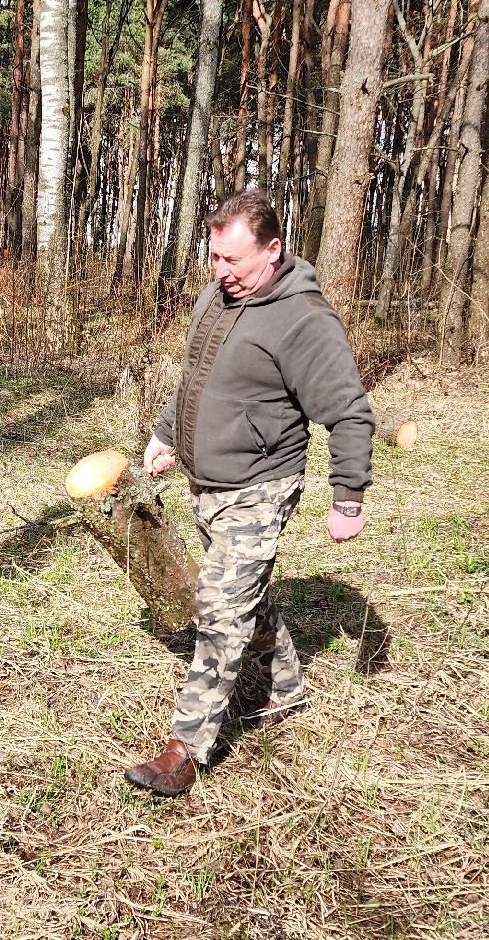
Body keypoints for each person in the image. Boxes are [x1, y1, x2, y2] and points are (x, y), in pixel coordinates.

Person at [124, 189, 374, 797]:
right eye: (213, 257)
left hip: (261, 485)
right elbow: (195, 376)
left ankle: (185, 749)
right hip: (207, 481)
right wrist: (166, 435)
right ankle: (286, 686)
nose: (220, 271)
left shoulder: (303, 320)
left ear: (273, 250)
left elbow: (349, 412)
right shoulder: (218, 295)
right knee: (244, 598)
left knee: (218, 611)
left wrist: (349, 496)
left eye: (234, 260)